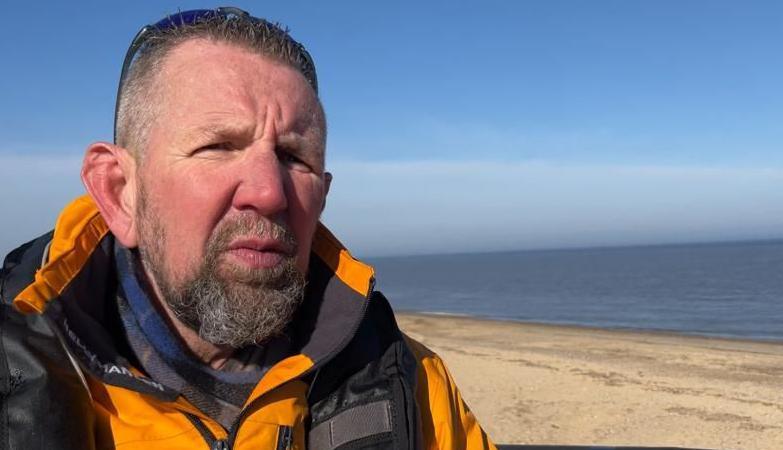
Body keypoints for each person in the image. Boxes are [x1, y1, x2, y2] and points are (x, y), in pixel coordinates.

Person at [0, 7, 495, 450]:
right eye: (217, 146)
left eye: (294, 156)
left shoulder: (409, 382)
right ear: (119, 192)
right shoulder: (16, 374)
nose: (269, 192)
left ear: (321, 196)